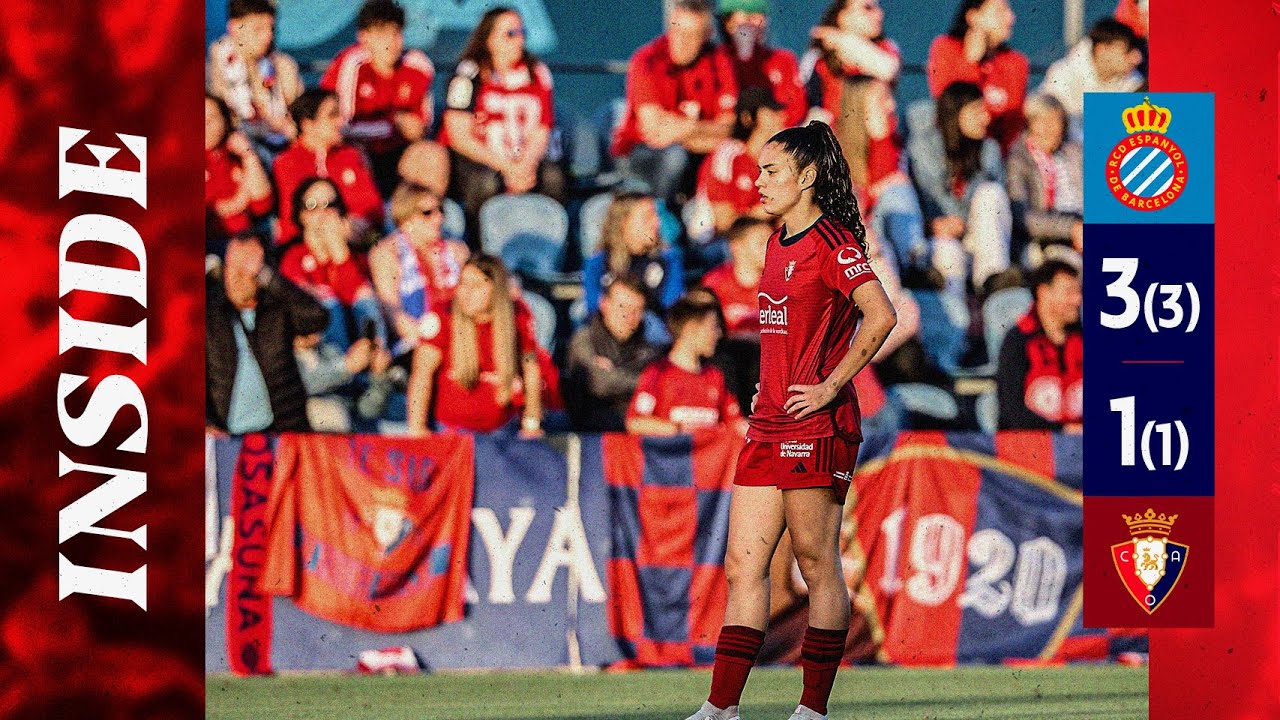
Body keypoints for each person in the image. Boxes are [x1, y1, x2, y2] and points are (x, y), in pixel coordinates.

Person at [685, 121, 896, 720]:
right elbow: (785, 333)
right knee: (742, 565)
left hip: (817, 423)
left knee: (813, 559)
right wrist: (767, 385)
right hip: (770, 421)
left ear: (806, 178)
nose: (760, 182)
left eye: (772, 171)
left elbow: (880, 316)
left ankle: (812, 709)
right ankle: (720, 708)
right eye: (759, 171)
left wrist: (830, 385)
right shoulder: (777, 241)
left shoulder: (835, 245)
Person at [442, 6, 564, 240]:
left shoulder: (537, 72)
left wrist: (525, 165)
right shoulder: (466, 75)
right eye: (510, 34)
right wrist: (505, 166)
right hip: (483, 160)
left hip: (524, 158)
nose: (519, 40)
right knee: (485, 183)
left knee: (552, 179)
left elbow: (543, 128)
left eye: (522, 32)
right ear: (489, 39)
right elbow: (458, 133)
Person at [612, 0, 738, 204]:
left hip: (694, 152)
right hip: (643, 153)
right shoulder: (647, 60)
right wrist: (707, 132)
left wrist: (686, 128)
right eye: (676, 32)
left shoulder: (718, 60)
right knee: (675, 156)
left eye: (690, 35)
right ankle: (660, 216)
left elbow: (730, 126)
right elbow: (654, 131)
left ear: (705, 36)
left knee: (732, 151)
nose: (681, 42)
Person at [319, 0, 449, 198]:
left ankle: (422, 217)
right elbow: (341, 126)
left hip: (400, 152)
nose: (391, 43)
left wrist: (405, 128)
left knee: (431, 154)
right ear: (363, 37)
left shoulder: (418, 65)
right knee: (352, 155)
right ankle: (369, 220)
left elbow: (420, 127)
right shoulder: (351, 64)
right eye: (381, 34)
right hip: (361, 150)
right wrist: (393, 123)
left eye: (396, 33)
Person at [406, 255, 546, 436]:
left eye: (477, 286)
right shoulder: (442, 314)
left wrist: (531, 423)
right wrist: (417, 428)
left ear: (496, 290)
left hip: (502, 428)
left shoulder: (518, 314)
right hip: (452, 431)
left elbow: (531, 369)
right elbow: (422, 375)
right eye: (463, 284)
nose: (466, 292)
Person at [206, 232, 330, 434]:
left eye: (245, 267)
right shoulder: (210, 313)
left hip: (282, 431)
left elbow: (316, 317)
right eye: (231, 266)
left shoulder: (277, 308)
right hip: (225, 436)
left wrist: (268, 277)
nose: (236, 276)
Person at [906, 81, 1014, 297]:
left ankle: (992, 284)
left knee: (991, 193)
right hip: (936, 239)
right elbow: (912, 204)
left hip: (975, 236)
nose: (986, 118)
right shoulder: (922, 148)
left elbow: (997, 213)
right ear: (954, 114)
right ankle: (959, 322)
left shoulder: (989, 150)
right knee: (949, 254)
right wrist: (932, 226)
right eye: (976, 111)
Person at [277, 178, 387, 350]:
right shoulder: (294, 257)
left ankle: (376, 358)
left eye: (330, 204)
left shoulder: (354, 255)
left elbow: (358, 295)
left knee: (365, 296)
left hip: (359, 339)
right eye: (312, 205)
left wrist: (340, 254)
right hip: (325, 350)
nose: (322, 213)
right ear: (301, 214)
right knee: (327, 302)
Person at [273, 88, 385, 243]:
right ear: (308, 125)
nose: (340, 121)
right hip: (305, 245)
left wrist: (354, 224)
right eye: (332, 115)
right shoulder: (287, 162)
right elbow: (292, 219)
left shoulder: (350, 156)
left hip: (351, 238)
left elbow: (373, 207)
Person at [369, 183, 464, 359]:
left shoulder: (456, 250)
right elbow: (394, 315)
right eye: (427, 213)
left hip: (461, 342)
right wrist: (433, 342)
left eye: (440, 210)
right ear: (406, 219)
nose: (439, 218)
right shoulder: (388, 254)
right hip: (416, 346)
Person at [626, 295, 743, 436]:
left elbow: (735, 423)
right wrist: (681, 430)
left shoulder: (715, 376)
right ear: (690, 329)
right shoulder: (658, 374)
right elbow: (635, 422)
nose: (718, 333)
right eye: (712, 327)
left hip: (708, 458)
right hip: (670, 457)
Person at [564, 276, 664, 432]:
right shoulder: (583, 340)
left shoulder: (651, 349)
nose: (628, 316)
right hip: (592, 435)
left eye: (637, 310)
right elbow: (600, 383)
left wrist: (614, 373)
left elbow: (664, 387)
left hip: (639, 432)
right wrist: (645, 382)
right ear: (604, 304)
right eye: (622, 307)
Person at [926, 0, 1028, 152]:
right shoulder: (945, 47)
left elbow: (1012, 125)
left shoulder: (1016, 62)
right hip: (951, 152)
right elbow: (950, 109)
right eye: (1000, 11)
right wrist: (971, 62)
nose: (1011, 18)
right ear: (973, 17)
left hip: (994, 161)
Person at [687, 86, 785, 241]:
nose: (780, 117)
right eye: (771, 112)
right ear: (748, 118)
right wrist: (772, 208)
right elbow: (725, 223)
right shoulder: (728, 157)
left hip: (759, 237)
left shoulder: (778, 160)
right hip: (716, 242)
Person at [206, 0, 303, 154]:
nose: (268, 36)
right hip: (238, 146)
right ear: (234, 27)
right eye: (258, 29)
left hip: (283, 144)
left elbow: (299, 113)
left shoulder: (283, 64)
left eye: (271, 28)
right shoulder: (218, 61)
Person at [996, 259, 1082, 431]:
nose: (1078, 300)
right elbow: (1012, 411)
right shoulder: (1018, 341)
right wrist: (1062, 431)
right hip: (1033, 447)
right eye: (1069, 292)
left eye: (1079, 292)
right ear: (1044, 292)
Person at [1006, 94, 1084, 264]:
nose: (1051, 128)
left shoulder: (1074, 152)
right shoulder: (1018, 159)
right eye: (1043, 121)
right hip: (1044, 238)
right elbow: (1023, 216)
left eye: (1056, 121)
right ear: (1030, 124)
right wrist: (1071, 229)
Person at [583, 191, 684, 319]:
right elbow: (594, 308)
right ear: (624, 223)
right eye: (647, 217)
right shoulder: (599, 262)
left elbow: (672, 307)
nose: (656, 223)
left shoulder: (668, 258)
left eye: (656, 216)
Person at [802, 0, 901, 124]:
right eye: (868, 8)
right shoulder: (818, 57)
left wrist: (842, 40)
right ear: (843, 16)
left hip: (875, 139)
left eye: (878, 8)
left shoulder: (886, 47)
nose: (879, 14)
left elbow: (888, 70)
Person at [716, 0, 806, 127]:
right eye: (749, 17)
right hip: (724, 138)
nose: (758, 23)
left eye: (762, 16)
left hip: (771, 135)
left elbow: (797, 107)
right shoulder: (716, 59)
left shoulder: (783, 59)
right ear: (727, 22)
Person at [1039, 18, 1144, 120]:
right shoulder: (1062, 77)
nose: (1138, 58)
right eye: (1128, 50)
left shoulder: (1135, 82)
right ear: (1101, 50)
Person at [205, 94, 273, 253]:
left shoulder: (236, 155)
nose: (205, 123)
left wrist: (248, 155)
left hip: (245, 241)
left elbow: (262, 204)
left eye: (212, 117)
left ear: (225, 121)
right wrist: (237, 202)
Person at [700, 216, 768, 337]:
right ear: (737, 247)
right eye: (762, 243)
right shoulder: (715, 283)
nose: (770, 248)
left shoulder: (781, 285)